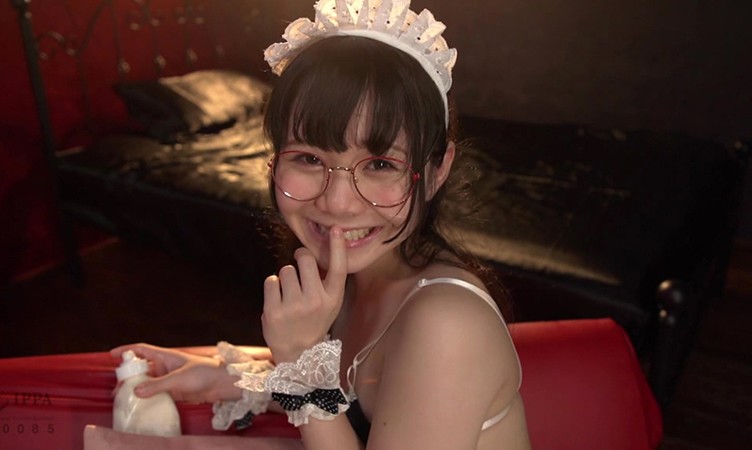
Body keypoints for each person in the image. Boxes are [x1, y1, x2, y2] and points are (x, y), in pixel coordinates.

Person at [112, 1, 531, 448]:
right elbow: (357, 402)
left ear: (438, 169)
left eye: (381, 164)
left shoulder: (447, 325)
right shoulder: (351, 273)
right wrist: (234, 379)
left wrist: (300, 360)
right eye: (309, 158)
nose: (337, 203)